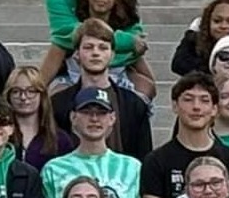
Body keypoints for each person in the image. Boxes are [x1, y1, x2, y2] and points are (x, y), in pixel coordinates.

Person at [140, 73, 229, 198]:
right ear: (175, 106)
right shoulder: (156, 161)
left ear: (215, 109)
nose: (196, 107)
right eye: (188, 99)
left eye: (204, 100)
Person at [41, 89, 145, 198]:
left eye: (101, 113)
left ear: (112, 118)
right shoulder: (54, 169)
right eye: (87, 112)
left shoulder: (131, 167)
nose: (94, 119)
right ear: (73, 117)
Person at [50, 22, 154, 160]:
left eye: (103, 48)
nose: (95, 53)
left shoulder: (134, 104)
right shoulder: (58, 103)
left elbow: (143, 155)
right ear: (76, 54)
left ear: (112, 55)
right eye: (88, 47)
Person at [7, 66, 75, 171]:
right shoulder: (0, 135)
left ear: (41, 95)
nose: (23, 97)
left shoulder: (60, 140)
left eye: (31, 91)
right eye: (16, 91)